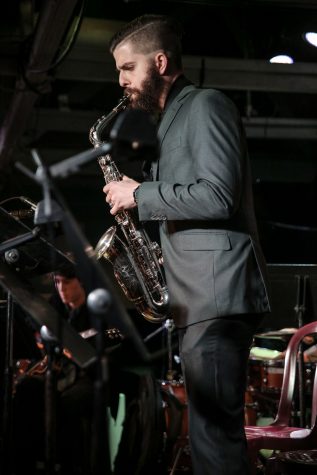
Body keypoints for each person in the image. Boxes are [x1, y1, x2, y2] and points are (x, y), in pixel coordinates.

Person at [103, 14, 271, 475]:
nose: (121, 81)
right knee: (207, 440)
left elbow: (219, 195)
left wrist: (139, 193)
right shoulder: (171, 120)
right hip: (197, 299)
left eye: (128, 68)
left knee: (215, 444)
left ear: (160, 62)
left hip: (215, 296)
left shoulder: (206, 105)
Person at [12, 264, 96, 475]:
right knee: (26, 388)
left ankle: (71, 465)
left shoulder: (95, 309)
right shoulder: (55, 306)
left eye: (67, 282)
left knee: (71, 401)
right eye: (57, 282)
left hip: (85, 374)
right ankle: (25, 462)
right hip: (57, 370)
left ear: (80, 282)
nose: (61, 288)